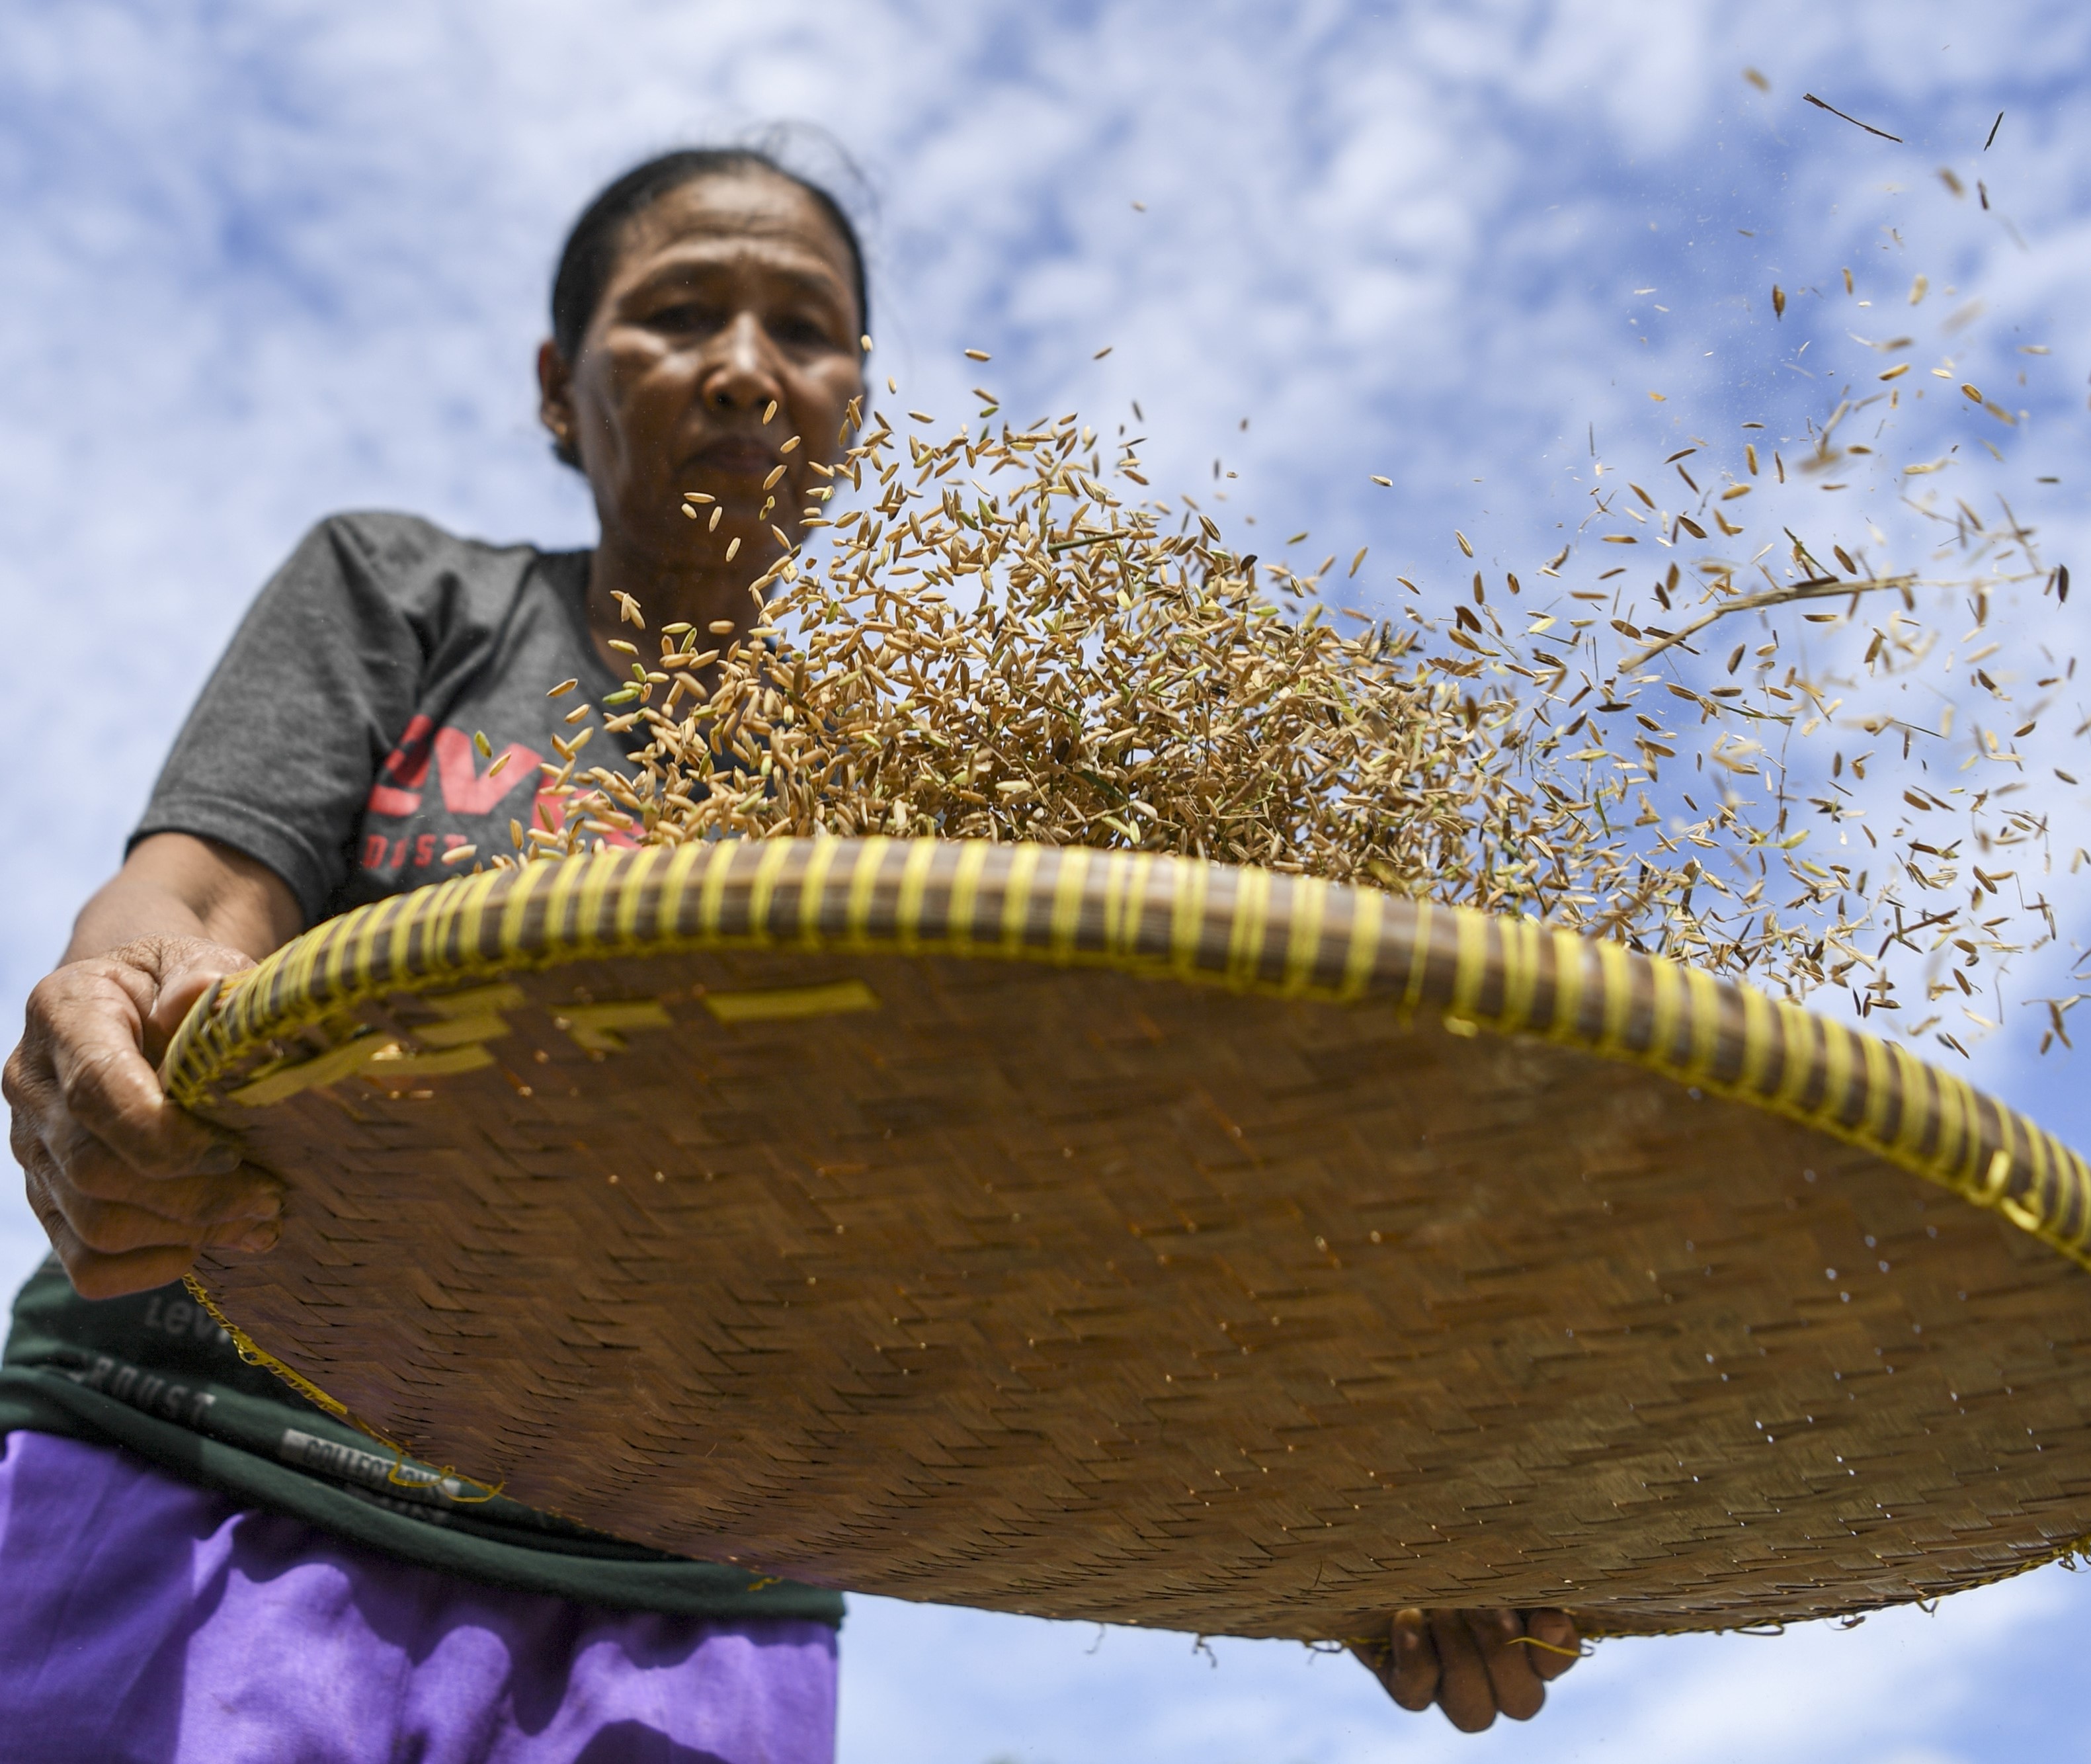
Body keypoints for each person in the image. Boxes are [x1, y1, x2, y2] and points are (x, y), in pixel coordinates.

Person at [1, 144, 1578, 1757]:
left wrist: (1378, 1511)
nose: (745, 370)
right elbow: (198, 900)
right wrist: (114, 1009)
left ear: (857, 410)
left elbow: (1047, 1242)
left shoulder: (929, 806)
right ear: (562, 390)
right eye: (679, 312)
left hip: (686, 1591)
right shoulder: (412, 595)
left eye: (803, 333)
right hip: (199, 1464)